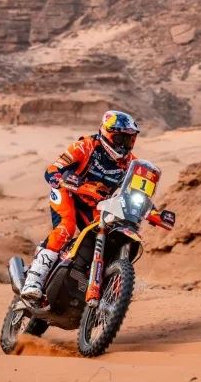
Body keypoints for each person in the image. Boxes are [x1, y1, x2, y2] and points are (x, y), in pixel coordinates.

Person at [21, 110, 160, 300]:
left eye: (129, 139)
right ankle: (33, 281)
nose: (123, 144)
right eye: (119, 138)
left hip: (95, 203)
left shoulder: (131, 164)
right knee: (65, 228)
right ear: (107, 133)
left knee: (107, 232)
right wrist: (61, 178)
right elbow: (52, 169)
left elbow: (139, 193)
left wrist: (154, 212)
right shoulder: (84, 146)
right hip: (68, 193)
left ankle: (91, 281)